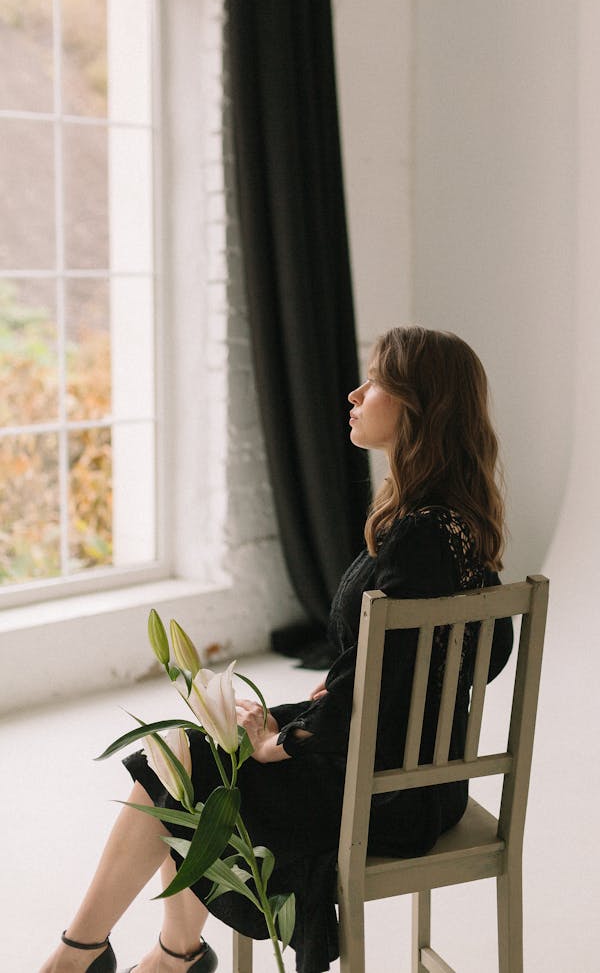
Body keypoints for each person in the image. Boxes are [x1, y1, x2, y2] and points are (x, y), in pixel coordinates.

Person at [40, 326, 514, 973]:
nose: (353, 393)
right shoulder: (460, 527)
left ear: (416, 406)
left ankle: (92, 955)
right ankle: (165, 952)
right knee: (191, 740)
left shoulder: (418, 536)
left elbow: (394, 677)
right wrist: (339, 687)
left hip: (384, 795)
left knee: (190, 760)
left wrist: (285, 742)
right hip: (418, 774)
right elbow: (481, 655)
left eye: (372, 380)